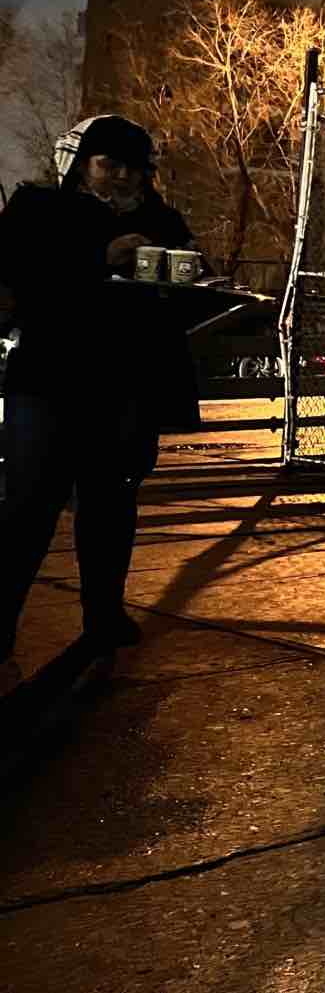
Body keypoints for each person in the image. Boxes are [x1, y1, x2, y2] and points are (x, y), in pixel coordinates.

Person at [0, 115, 198, 667]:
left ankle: (104, 613)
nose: (120, 177)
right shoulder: (38, 207)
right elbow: (17, 270)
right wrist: (100, 257)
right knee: (27, 507)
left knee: (111, 504)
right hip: (47, 382)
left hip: (123, 388)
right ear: (82, 163)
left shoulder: (162, 220)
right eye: (108, 164)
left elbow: (183, 294)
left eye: (132, 168)